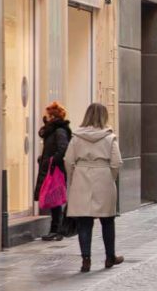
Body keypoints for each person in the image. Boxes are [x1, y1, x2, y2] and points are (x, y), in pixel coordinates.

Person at [64, 103, 123, 273]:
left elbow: (68, 161)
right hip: (103, 176)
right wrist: (109, 177)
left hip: (82, 176)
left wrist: (74, 178)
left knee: (84, 222)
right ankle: (110, 256)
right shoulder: (109, 137)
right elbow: (116, 162)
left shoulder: (76, 137)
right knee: (107, 220)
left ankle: (86, 260)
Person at [35, 101, 72, 241]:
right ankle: (55, 229)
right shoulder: (52, 130)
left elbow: (63, 148)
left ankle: (56, 229)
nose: (45, 117)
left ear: (52, 116)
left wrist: (52, 160)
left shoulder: (59, 131)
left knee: (54, 198)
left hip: (55, 169)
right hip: (50, 167)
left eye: (47, 115)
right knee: (53, 198)